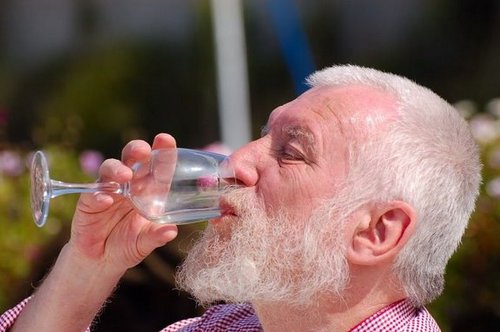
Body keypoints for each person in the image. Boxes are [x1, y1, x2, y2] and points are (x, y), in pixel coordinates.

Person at [0, 65, 481, 331]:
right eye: (261, 134)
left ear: (377, 232)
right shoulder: (222, 328)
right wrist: (87, 268)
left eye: (290, 151)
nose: (235, 163)